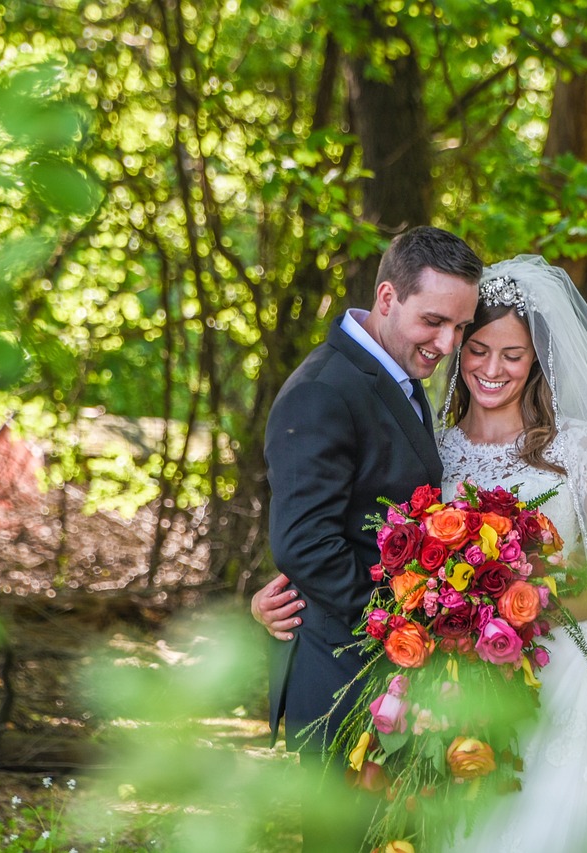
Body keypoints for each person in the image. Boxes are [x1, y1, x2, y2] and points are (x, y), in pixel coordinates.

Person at [259, 254, 587, 851]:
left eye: (513, 355)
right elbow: (352, 532)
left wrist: (523, 612)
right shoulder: (433, 449)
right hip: (453, 684)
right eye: (476, 349)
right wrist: (278, 593)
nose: (490, 368)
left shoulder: (579, 448)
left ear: (538, 362)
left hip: (568, 675)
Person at [252, 226, 482, 852]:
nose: (447, 344)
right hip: (344, 678)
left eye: (460, 328)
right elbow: (305, 545)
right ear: (387, 297)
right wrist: (410, 628)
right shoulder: (326, 391)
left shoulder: (392, 381)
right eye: (434, 321)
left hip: (384, 675)